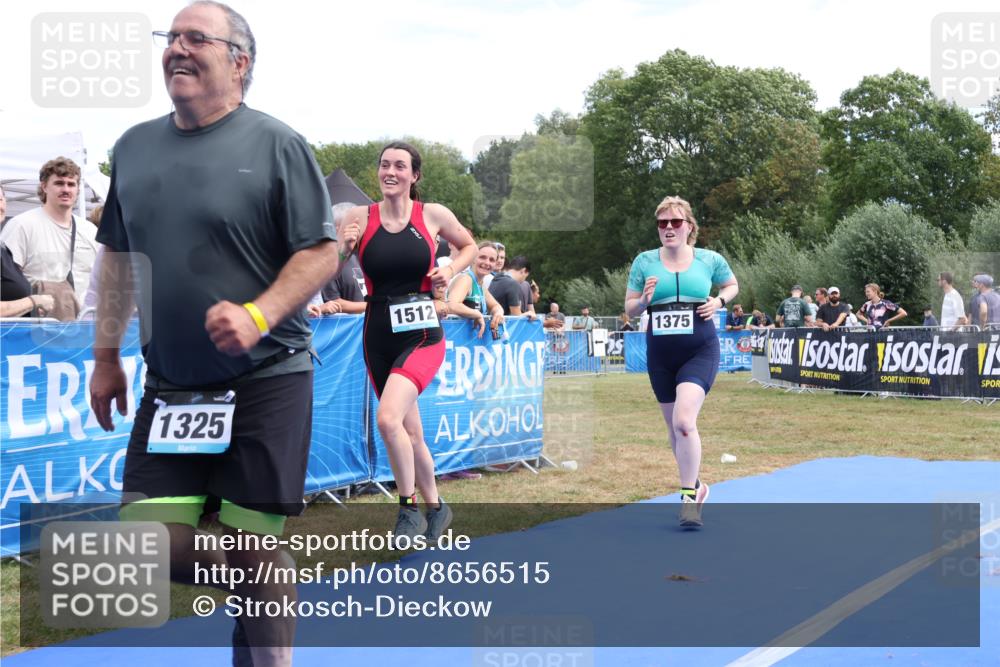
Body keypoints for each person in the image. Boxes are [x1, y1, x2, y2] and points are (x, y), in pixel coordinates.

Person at [88, 4, 337, 665]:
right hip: (172, 388)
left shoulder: (277, 144)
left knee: (254, 540)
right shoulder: (134, 147)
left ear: (239, 61)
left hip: (267, 378)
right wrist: (106, 354)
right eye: (170, 38)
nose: (177, 48)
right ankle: (268, 584)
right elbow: (116, 256)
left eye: (196, 38)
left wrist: (258, 312)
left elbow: (321, 253)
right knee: (147, 541)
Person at [338, 141, 476, 544]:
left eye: (400, 166)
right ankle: (437, 507)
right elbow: (327, 267)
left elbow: (468, 246)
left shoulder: (431, 214)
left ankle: (408, 509)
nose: (390, 172)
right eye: (384, 165)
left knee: (386, 419)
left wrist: (449, 267)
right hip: (377, 331)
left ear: (414, 175)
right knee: (409, 432)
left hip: (422, 332)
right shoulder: (358, 218)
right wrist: (343, 249)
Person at [624, 195, 738, 528]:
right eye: (662, 223)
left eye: (675, 222)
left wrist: (718, 301)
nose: (669, 228)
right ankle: (699, 487)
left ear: (689, 226)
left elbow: (732, 286)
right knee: (675, 432)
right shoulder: (644, 261)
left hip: (699, 348)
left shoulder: (709, 259)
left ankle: (688, 500)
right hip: (660, 353)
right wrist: (644, 300)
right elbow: (629, 309)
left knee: (684, 421)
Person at [0, 157, 100, 310]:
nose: (66, 189)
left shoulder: (91, 231)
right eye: (59, 183)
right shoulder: (21, 226)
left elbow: (102, 279)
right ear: (44, 186)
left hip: (84, 325)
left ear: (78, 189)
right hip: (38, 326)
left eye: (71, 184)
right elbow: (9, 283)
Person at [308, 202, 367, 316]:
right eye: (356, 225)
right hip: (344, 329)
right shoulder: (325, 260)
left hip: (366, 326)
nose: (363, 229)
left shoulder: (359, 255)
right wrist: (372, 307)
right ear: (339, 228)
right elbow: (333, 302)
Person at [445, 240, 505, 339]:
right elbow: (451, 305)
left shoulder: (480, 285)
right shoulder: (466, 279)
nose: (487, 262)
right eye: (482, 257)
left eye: (492, 260)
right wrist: (475, 313)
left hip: (468, 343)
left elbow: (495, 306)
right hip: (454, 341)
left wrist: (498, 313)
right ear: (473, 259)